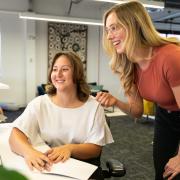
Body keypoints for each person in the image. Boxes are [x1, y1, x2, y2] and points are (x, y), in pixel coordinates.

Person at [95, 1, 180, 180]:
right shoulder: (127, 64)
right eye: (107, 30)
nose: (109, 36)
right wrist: (116, 102)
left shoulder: (171, 57)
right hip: (165, 116)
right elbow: (137, 112)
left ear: (133, 25)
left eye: (114, 28)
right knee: (163, 171)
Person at [9, 51, 113, 179]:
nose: (58, 74)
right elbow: (15, 135)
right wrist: (28, 152)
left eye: (64, 69)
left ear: (77, 74)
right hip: (49, 167)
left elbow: (95, 148)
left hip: (81, 169)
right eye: (55, 69)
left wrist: (70, 149)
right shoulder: (40, 103)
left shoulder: (94, 107)